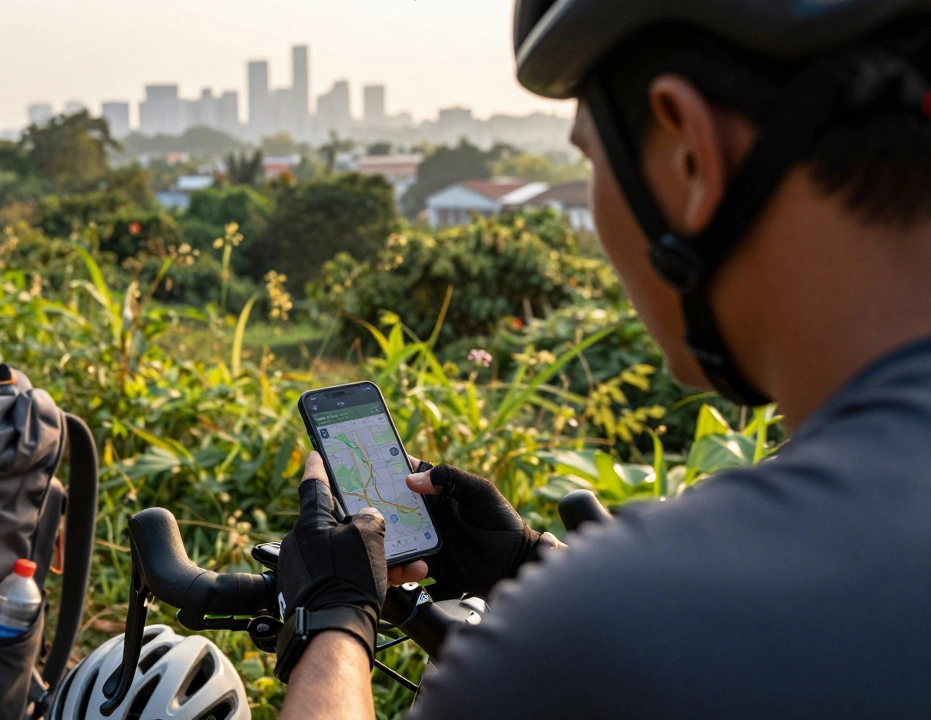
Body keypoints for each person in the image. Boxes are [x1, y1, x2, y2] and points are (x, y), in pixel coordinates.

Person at [275, 2, 931, 717]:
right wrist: (533, 567)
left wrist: (332, 620)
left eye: (589, 155)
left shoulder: (598, 633)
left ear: (689, 153)